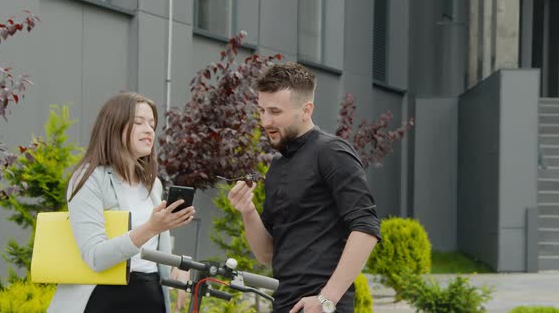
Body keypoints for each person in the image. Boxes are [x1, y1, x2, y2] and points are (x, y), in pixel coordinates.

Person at [227, 63, 381, 313]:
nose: (265, 121)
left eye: (275, 111)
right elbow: (267, 255)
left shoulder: (332, 152)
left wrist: (326, 299)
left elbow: (366, 228)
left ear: (306, 110)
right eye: (262, 110)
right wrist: (247, 210)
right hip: (285, 304)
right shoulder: (277, 166)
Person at [48, 92, 195, 313]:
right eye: (138, 122)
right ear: (114, 127)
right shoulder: (89, 179)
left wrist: (178, 266)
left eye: (152, 124)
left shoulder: (152, 184)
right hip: (104, 297)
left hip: (151, 295)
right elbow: (95, 257)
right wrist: (152, 227)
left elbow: (150, 251)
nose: (149, 130)